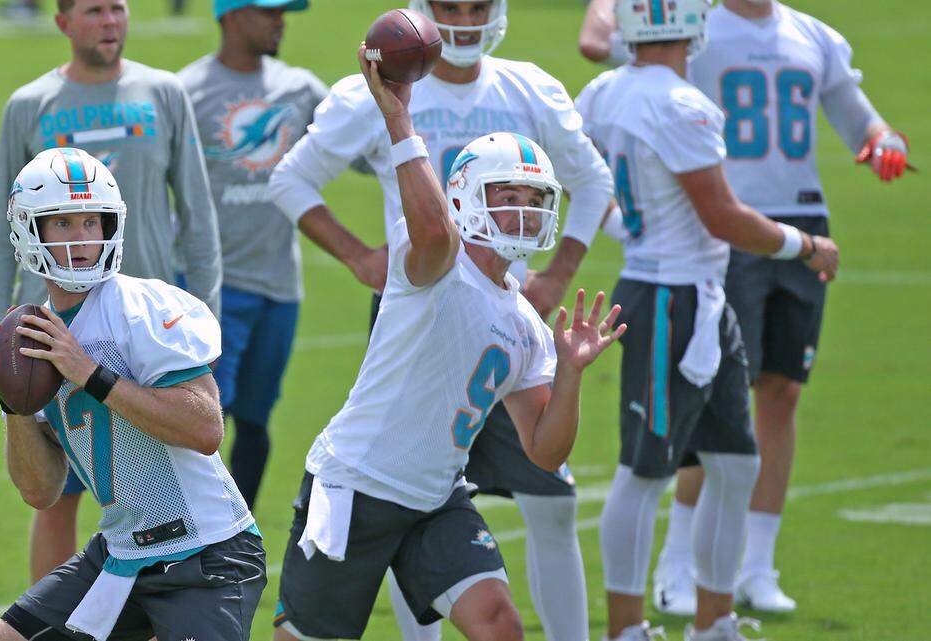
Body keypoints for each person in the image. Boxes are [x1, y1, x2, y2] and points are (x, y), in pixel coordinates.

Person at [268, 2, 613, 638]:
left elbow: (546, 452)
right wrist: (399, 118)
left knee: (500, 625)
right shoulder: (428, 261)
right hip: (358, 490)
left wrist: (569, 373)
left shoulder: (527, 324)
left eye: (533, 200)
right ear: (464, 201)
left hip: (435, 500)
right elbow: (429, 230)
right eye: (504, 197)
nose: (520, 213)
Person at [577, 0, 912, 615]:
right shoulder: (679, 96)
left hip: (699, 279)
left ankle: (723, 605)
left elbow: (578, 160)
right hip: (688, 275)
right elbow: (722, 214)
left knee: (736, 454)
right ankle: (641, 609)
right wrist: (804, 244)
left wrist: (619, 225)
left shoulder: (606, 92)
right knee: (651, 465)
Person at [0, 0, 223, 584]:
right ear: (63, 22)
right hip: (58, 326)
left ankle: (177, 601)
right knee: (58, 491)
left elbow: (197, 211)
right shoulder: (30, 104)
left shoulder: (163, 92)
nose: (109, 22)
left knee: (166, 477)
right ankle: (54, 622)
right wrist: (2, 340)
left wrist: (207, 319)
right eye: (93, 11)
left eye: (117, 9)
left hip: (148, 330)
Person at [0, 148, 263, 641]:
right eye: (63, 224)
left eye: (92, 222)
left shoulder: (143, 308)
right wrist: (15, 403)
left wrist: (89, 373)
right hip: (122, 553)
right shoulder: (37, 335)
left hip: (205, 553)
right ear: (30, 230)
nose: (81, 240)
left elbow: (204, 429)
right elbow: (40, 491)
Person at [179, 0, 323, 511]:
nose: (281, 20)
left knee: (258, 421)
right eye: (270, 11)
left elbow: (362, 150)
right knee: (204, 424)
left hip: (280, 288)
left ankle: (237, 544)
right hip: (209, 292)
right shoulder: (185, 92)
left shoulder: (301, 89)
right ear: (232, 15)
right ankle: (195, 546)